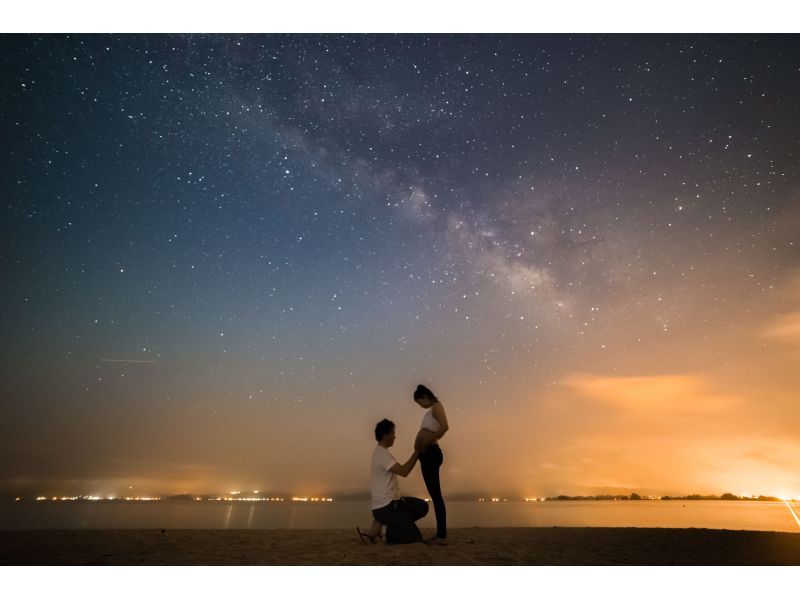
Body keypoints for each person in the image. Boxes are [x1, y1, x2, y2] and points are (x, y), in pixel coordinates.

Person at [358, 418, 429, 544]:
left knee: (422, 506)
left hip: (394, 502)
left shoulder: (382, 453)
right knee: (415, 538)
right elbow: (404, 471)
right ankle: (384, 530)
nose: (395, 437)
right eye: (392, 433)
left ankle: (391, 524)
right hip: (386, 506)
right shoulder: (382, 454)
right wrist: (417, 451)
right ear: (385, 434)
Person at [413, 384, 449, 543]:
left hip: (431, 453)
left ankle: (441, 534)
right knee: (434, 494)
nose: (420, 405)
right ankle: (441, 532)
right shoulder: (431, 409)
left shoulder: (436, 406)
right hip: (426, 454)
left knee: (436, 495)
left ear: (425, 397)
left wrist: (426, 441)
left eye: (420, 402)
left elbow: (445, 427)